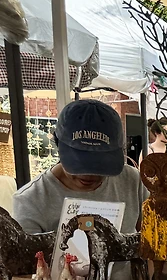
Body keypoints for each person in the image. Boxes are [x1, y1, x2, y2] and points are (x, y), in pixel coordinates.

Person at [13, 98, 142, 236]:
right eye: (80, 163)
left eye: (100, 165)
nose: (89, 174)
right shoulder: (30, 201)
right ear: (58, 146)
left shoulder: (132, 181)